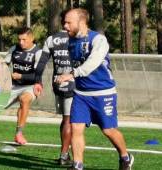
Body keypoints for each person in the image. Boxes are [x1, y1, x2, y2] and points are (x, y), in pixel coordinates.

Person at [58, 8, 134, 170]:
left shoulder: (98, 40)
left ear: (82, 22)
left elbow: (93, 63)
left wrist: (71, 74)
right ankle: (78, 164)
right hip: (81, 94)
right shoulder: (70, 40)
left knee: (108, 130)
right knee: (76, 127)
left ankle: (125, 156)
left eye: (68, 22)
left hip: (103, 93)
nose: (65, 26)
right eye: (64, 22)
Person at [34, 11, 74, 165]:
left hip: (57, 83)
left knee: (65, 120)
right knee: (70, 121)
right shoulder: (77, 38)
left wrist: (38, 81)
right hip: (73, 83)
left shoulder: (51, 39)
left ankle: (66, 153)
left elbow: (42, 62)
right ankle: (65, 156)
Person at [4, 27, 42, 145]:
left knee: (24, 99)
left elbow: (37, 75)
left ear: (32, 38)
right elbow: (4, 65)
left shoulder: (38, 52)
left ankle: (19, 133)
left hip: (30, 86)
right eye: (19, 39)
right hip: (13, 86)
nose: (21, 42)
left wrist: (20, 76)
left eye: (24, 40)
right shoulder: (14, 49)